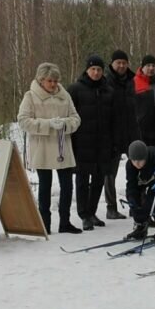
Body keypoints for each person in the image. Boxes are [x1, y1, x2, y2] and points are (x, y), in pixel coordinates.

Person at [17, 62, 82, 234]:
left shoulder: (65, 95)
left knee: (67, 186)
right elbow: (23, 121)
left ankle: (65, 222)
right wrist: (48, 124)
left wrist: (65, 124)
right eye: (49, 81)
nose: (53, 84)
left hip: (63, 148)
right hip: (42, 148)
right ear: (41, 80)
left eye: (55, 81)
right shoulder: (30, 96)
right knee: (45, 187)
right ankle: (44, 223)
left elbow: (76, 118)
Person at [68, 55, 115, 231]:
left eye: (99, 69)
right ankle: (83, 214)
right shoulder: (75, 89)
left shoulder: (108, 90)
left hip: (103, 143)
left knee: (98, 179)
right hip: (82, 143)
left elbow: (113, 118)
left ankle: (92, 211)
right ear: (87, 70)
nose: (96, 72)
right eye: (93, 69)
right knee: (82, 179)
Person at [104, 49, 138, 220]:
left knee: (135, 170)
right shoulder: (106, 81)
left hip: (131, 132)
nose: (122, 66)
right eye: (119, 63)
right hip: (112, 134)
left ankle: (135, 205)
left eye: (124, 63)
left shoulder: (132, 81)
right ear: (112, 64)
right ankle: (111, 207)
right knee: (110, 173)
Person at [123, 140, 155, 241]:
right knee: (134, 199)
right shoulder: (130, 165)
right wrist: (132, 199)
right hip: (145, 177)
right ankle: (140, 226)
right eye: (134, 160)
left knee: (154, 199)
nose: (137, 163)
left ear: (145, 157)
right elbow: (131, 184)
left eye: (140, 160)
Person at [134, 54, 155, 147]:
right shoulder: (134, 83)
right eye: (148, 65)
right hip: (140, 131)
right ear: (142, 67)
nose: (151, 68)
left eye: (153, 66)